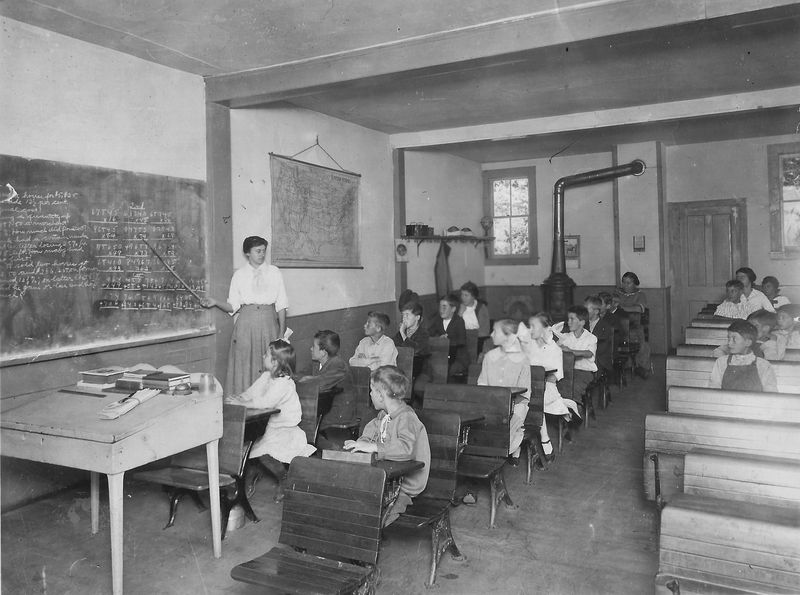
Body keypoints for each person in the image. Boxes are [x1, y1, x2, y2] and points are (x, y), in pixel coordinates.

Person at [225, 340, 315, 502]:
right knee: (246, 446)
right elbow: (251, 393)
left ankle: (283, 478)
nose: (262, 355)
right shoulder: (266, 376)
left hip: (285, 429)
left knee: (264, 451)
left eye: (266, 354)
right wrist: (240, 398)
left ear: (275, 362)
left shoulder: (284, 383)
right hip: (268, 426)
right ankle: (250, 474)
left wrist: (242, 404)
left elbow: (265, 403)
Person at [201, 236, 288, 396]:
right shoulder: (239, 275)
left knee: (271, 364)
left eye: (263, 251)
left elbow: (281, 305)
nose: (262, 254)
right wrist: (215, 302)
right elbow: (233, 306)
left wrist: (281, 333)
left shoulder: (274, 272)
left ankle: (267, 403)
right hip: (246, 327)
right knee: (245, 365)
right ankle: (246, 407)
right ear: (247, 253)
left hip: (269, 324)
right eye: (258, 251)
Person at [344, 366, 430, 526]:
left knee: (378, 517)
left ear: (381, 395)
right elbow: (370, 434)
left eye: (372, 390)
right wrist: (362, 444)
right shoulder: (383, 416)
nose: (370, 394)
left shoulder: (407, 418)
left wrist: (375, 447)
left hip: (404, 485)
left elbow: (406, 450)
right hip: (387, 478)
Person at [521, 313, 581, 462]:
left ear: (545, 329)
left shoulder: (554, 349)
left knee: (533, 399)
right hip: (529, 385)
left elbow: (554, 376)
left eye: (533, 326)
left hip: (548, 387)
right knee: (526, 398)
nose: (530, 329)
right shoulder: (529, 346)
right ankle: (539, 440)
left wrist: (537, 381)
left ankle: (542, 439)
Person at [478, 319, 531, 465]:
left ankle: (500, 456)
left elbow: (524, 393)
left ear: (507, 336)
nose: (491, 334)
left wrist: (505, 405)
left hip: (516, 406)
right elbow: (482, 383)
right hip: (491, 405)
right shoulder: (490, 356)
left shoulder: (522, 359)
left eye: (495, 331)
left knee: (502, 432)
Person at [708, 320, 777, 392]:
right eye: (729, 338)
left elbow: (771, 395)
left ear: (748, 342)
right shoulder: (721, 362)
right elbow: (714, 390)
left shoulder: (763, 365)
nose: (729, 343)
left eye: (734, 339)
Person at [297, 330, 348, 417]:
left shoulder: (338, 365)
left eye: (313, 346)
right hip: (321, 410)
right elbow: (300, 375)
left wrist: (306, 380)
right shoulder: (316, 364)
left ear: (323, 352)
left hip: (337, 413)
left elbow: (322, 384)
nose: (311, 349)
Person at [553, 305, 597, 400]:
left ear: (582, 322)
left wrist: (570, 351)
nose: (569, 322)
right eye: (568, 319)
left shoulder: (591, 338)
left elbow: (589, 353)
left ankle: (575, 411)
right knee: (556, 387)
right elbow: (555, 349)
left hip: (584, 372)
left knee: (573, 388)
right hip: (566, 371)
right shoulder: (565, 337)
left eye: (572, 319)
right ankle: (562, 411)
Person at [615, 271, 651, 378]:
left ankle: (642, 366)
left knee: (640, 341)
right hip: (618, 324)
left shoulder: (640, 295)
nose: (625, 285)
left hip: (635, 325)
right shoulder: (617, 293)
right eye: (623, 282)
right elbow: (612, 306)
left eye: (628, 283)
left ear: (635, 283)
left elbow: (638, 309)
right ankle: (619, 365)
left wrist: (621, 308)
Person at [428, 293, 469, 377]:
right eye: (440, 307)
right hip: (442, 355)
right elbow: (429, 334)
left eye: (444, 307)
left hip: (458, 357)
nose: (441, 310)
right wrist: (438, 339)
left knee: (446, 370)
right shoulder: (437, 320)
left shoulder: (459, 321)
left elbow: (461, 342)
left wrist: (447, 341)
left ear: (453, 309)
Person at [393, 300, 430, 377]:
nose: (404, 318)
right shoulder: (401, 333)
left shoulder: (423, 333)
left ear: (417, 317)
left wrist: (403, 334)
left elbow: (415, 350)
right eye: (403, 315)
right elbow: (392, 344)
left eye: (407, 315)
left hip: (418, 369)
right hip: (402, 366)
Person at [585, 295, 613, 376]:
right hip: (584, 355)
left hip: (600, 359)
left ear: (596, 311)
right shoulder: (583, 324)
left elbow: (601, 348)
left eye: (587, 309)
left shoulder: (605, 326)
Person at [458, 281, 490, 353]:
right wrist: (460, 313)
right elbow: (454, 327)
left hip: (478, 338)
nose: (463, 298)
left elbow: (484, 330)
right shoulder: (458, 307)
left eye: (466, 295)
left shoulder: (481, 307)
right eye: (462, 294)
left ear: (473, 297)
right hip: (462, 338)